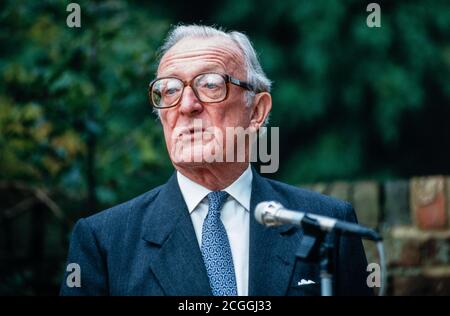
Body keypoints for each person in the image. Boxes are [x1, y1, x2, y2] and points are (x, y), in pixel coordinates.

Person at [60, 24, 372, 296]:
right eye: (169, 90)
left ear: (257, 112)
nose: (187, 105)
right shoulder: (105, 241)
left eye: (210, 84)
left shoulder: (326, 225)